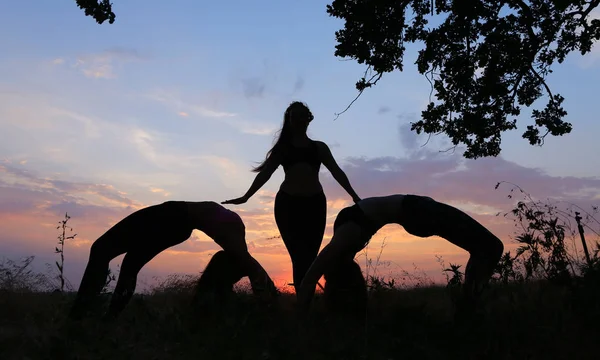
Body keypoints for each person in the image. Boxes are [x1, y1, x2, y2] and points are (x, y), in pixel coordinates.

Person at [222, 101, 361, 291]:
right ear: (289, 121)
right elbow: (265, 173)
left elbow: (336, 171)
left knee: (311, 257)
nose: (298, 121)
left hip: (315, 205)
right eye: (294, 117)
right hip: (287, 205)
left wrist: (354, 195)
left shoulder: (319, 148)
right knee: (298, 256)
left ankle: (306, 303)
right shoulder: (283, 149)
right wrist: (246, 196)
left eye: (302, 116)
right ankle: (302, 304)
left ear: (309, 119)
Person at [68, 200, 277, 320]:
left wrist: (269, 297)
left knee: (103, 250)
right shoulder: (233, 230)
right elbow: (248, 263)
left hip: (172, 217)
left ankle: (82, 315)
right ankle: (105, 318)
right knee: (128, 264)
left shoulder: (231, 228)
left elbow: (248, 263)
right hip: (175, 221)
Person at [296, 194, 504, 311]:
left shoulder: (342, 241)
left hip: (416, 211)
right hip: (417, 211)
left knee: (487, 248)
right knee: (490, 247)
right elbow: (309, 279)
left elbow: (309, 278)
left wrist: (301, 316)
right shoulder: (346, 238)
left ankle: (470, 306)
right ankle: (469, 308)